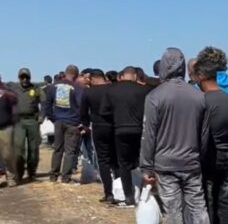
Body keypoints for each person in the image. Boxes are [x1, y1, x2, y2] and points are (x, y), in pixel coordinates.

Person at [140, 47, 216, 224]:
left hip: (165, 162)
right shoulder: (198, 96)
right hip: (192, 160)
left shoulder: (155, 96)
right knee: (198, 205)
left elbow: (149, 135)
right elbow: (204, 135)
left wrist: (147, 166)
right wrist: (198, 156)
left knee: (172, 208)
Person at [195, 48, 228, 224]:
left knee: (205, 197)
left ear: (201, 76)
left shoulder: (203, 101)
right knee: (225, 196)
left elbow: (202, 132)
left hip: (209, 154)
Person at [101, 66, 151, 207]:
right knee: (140, 162)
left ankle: (129, 196)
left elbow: (104, 112)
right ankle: (143, 192)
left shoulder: (111, 90)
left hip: (120, 129)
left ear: (122, 76)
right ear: (135, 76)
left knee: (123, 164)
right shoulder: (144, 90)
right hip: (139, 129)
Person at [44, 64, 84, 183]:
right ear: (76, 75)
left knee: (57, 149)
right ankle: (65, 177)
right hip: (72, 122)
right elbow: (81, 106)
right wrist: (80, 121)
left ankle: (53, 175)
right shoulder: (77, 88)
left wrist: (53, 118)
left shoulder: (53, 87)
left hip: (58, 121)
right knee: (70, 151)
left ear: (65, 73)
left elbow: (47, 105)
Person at [79, 69, 114, 200]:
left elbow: (83, 112)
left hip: (98, 126)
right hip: (113, 125)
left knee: (103, 160)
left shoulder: (88, 92)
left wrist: (86, 125)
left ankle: (109, 193)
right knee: (116, 160)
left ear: (93, 79)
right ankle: (122, 189)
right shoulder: (112, 89)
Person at [11, 68, 43, 184]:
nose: (24, 79)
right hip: (18, 122)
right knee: (18, 150)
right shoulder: (13, 89)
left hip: (32, 121)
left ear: (30, 77)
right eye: (22, 77)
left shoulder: (36, 89)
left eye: (26, 77)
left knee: (33, 149)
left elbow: (44, 102)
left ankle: (32, 174)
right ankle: (18, 175)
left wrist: (42, 115)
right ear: (19, 78)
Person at [0, 77, 18, 186]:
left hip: (6, 127)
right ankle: (2, 176)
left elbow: (16, 106)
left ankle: (11, 176)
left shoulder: (7, 93)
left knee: (7, 154)